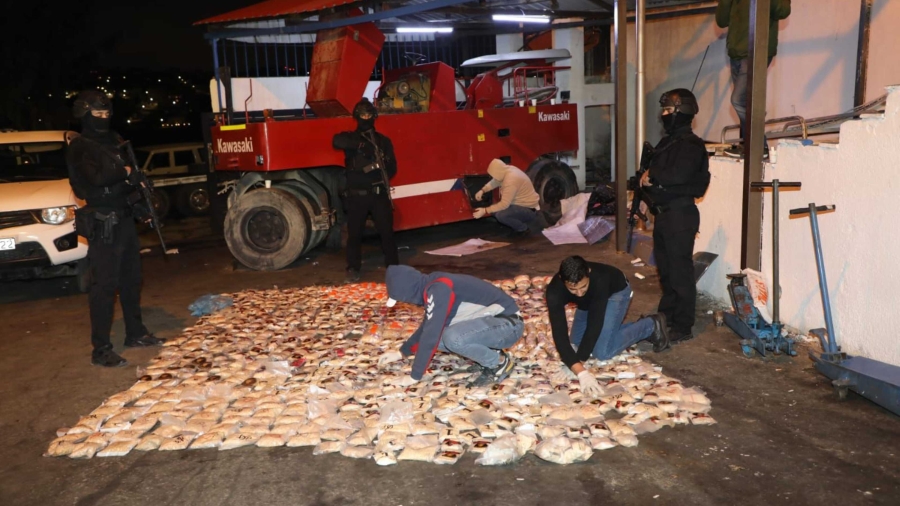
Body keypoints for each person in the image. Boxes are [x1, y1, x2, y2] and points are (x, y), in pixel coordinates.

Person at [66, 90, 164, 367]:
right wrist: (126, 173)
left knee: (132, 279)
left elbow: (128, 173)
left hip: (124, 217)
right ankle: (101, 349)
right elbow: (97, 178)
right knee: (104, 286)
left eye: (107, 113)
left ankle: (135, 333)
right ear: (84, 114)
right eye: (97, 113)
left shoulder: (114, 139)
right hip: (103, 222)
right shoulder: (80, 146)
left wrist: (139, 193)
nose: (103, 118)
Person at [641, 89, 711, 343]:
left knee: (680, 274)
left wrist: (652, 176)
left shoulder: (691, 145)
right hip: (665, 215)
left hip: (680, 216)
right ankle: (666, 317)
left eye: (668, 110)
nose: (664, 115)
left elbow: (678, 175)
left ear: (682, 111)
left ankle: (682, 325)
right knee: (667, 273)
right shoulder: (667, 142)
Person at [378, 265, 524, 387]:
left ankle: (498, 363)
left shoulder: (439, 289)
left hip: (509, 325)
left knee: (453, 338)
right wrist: (401, 352)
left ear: (408, 292)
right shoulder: (432, 286)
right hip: (493, 324)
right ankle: (491, 353)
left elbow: (431, 335)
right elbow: (428, 327)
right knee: (442, 339)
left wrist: (414, 376)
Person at [546, 256, 669, 396]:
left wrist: (579, 368)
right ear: (562, 280)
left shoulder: (600, 279)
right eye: (573, 289)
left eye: (583, 286)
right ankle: (621, 329)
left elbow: (595, 323)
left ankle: (651, 325)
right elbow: (559, 333)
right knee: (576, 343)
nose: (579, 293)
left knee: (603, 351)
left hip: (614, 293)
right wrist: (575, 365)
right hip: (587, 303)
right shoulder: (554, 292)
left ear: (589, 272)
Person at [332, 98, 399, 283]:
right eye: (363, 115)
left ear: (374, 116)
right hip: (357, 196)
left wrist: (379, 170)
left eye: (369, 115)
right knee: (354, 235)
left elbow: (393, 167)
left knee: (387, 233)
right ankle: (353, 268)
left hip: (378, 193)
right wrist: (361, 146)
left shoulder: (383, 141)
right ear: (357, 117)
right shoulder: (351, 138)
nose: (366, 118)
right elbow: (337, 141)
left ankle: (394, 269)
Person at [716, 0, 792, 157]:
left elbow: (783, 11)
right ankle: (749, 145)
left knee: (738, 100)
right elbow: (721, 20)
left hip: (757, 50)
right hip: (736, 53)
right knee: (746, 102)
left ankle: (758, 146)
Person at [471, 159, 541, 237]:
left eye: (494, 175)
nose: (494, 177)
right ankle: (514, 222)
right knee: (494, 210)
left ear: (498, 172)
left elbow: (504, 204)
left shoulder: (511, 181)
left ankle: (523, 229)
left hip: (529, 209)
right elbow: (495, 181)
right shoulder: (506, 170)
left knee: (501, 215)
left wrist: (484, 210)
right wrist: (483, 190)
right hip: (519, 204)